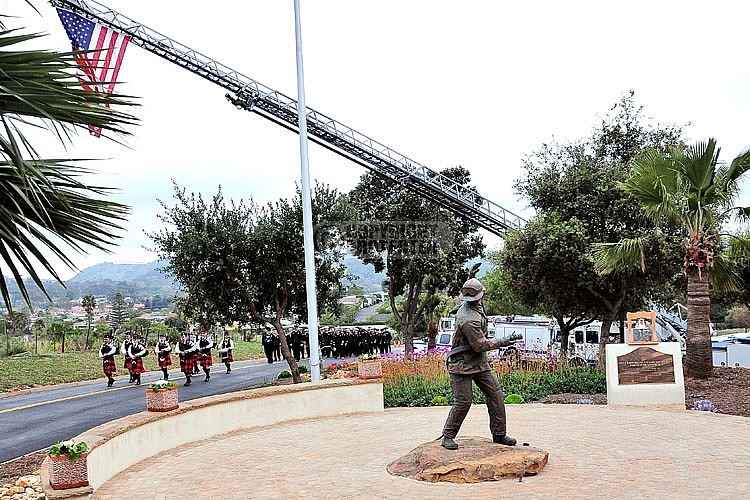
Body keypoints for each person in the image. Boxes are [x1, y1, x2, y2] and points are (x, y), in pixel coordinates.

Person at [439, 277, 522, 450]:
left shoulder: (475, 306)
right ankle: (448, 435)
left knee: (495, 394)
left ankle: (499, 433)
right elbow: (480, 345)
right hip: (461, 365)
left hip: (479, 363)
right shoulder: (468, 319)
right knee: (463, 401)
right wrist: (505, 340)